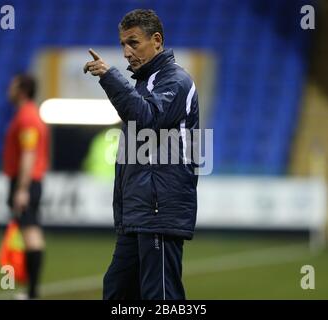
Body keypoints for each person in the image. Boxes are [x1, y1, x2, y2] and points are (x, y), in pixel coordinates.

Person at [84, 9, 199, 300]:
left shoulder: (176, 81)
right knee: (117, 291)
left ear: (156, 41)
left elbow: (146, 117)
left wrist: (109, 77)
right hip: (138, 213)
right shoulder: (143, 84)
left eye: (133, 43)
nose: (126, 52)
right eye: (123, 44)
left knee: (160, 297)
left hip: (158, 212)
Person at [3, 74, 50, 299]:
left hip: (26, 182)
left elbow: (29, 155)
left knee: (31, 235)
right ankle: (31, 291)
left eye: (12, 86)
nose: (9, 90)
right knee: (31, 232)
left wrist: (21, 189)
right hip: (29, 181)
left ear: (22, 90)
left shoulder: (28, 117)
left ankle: (32, 293)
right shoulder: (28, 115)